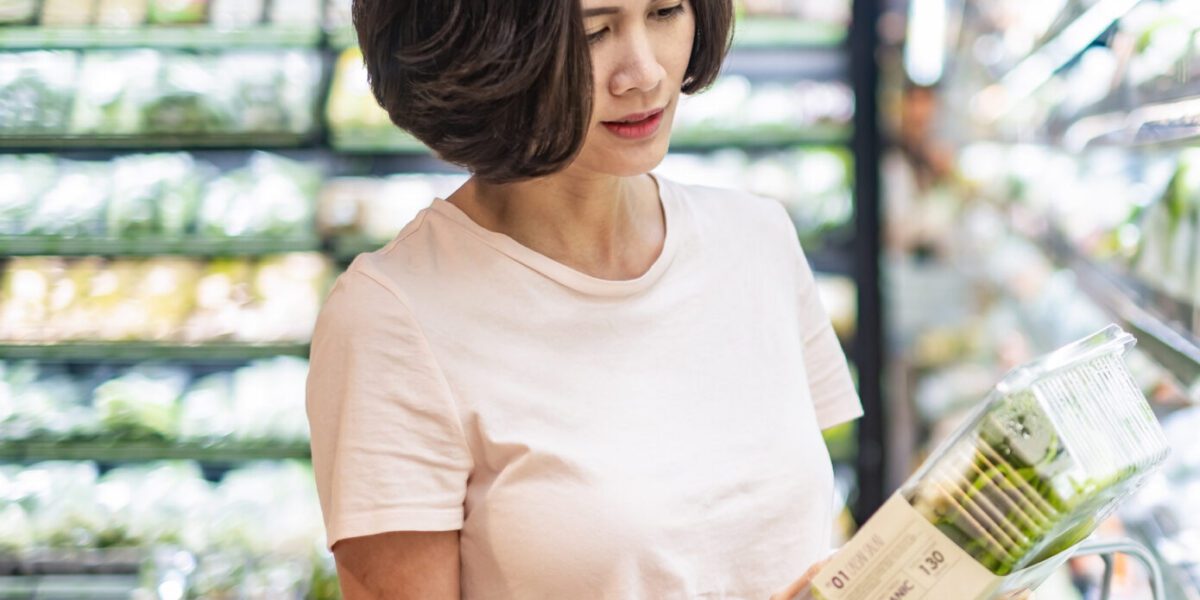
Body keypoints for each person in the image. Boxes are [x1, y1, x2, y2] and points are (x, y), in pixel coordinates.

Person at [304, 0, 862, 597]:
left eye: (667, 11)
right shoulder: (392, 317)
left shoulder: (757, 239)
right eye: (593, 32)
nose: (644, 73)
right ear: (482, 49)